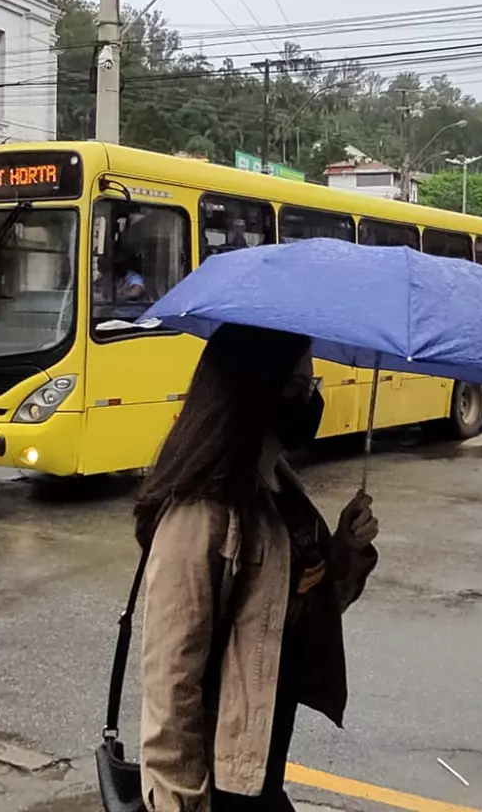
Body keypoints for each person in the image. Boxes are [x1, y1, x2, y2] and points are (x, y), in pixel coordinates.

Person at [135, 323, 379, 812]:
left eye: (310, 386)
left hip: (261, 768)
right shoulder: (202, 514)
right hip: (216, 786)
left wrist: (346, 548)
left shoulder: (282, 488)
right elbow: (169, 677)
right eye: (294, 387)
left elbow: (300, 608)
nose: (307, 400)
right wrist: (180, 801)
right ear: (255, 386)